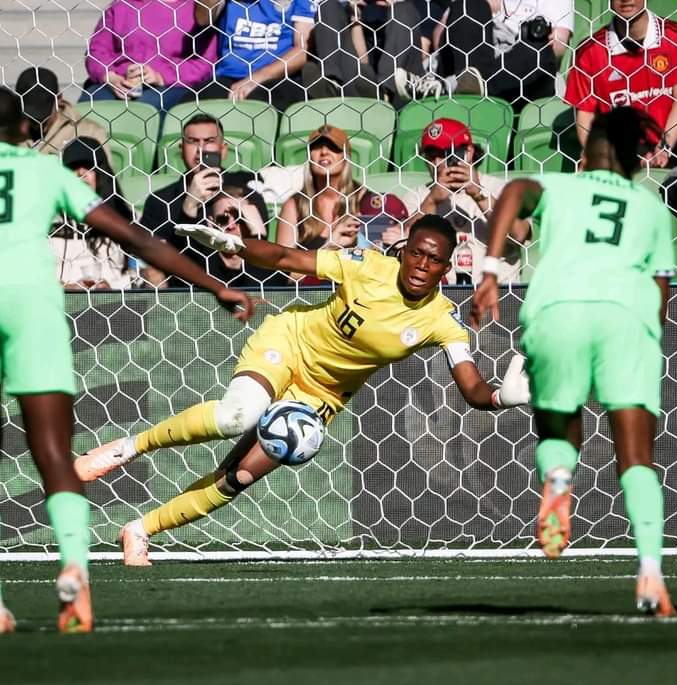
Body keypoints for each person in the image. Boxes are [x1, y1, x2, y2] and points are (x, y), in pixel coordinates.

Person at [75, 213, 530, 566]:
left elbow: (470, 386)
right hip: (288, 344)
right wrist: (236, 246)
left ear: (445, 268)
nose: (421, 266)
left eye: (434, 261)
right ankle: (127, 449)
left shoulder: (441, 320)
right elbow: (287, 259)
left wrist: (498, 399)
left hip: (322, 396)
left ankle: (139, 529)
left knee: (240, 477)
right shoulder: (367, 266)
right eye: (416, 253)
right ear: (404, 251)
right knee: (239, 415)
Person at [0, 86, 254, 634]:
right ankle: (74, 570)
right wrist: (215, 285)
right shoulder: (49, 176)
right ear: (27, 130)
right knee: (51, 451)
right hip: (35, 310)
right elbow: (139, 240)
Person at [470, 107, 676, 617]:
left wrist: (491, 271)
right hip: (626, 316)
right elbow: (660, 286)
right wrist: (644, 337)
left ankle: (559, 477)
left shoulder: (560, 188)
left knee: (559, 429)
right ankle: (650, 574)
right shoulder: (651, 208)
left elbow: (515, 190)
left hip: (557, 310)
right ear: (634, 160)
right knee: (636, 457)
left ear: (584, 155)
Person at [564, 0, 677, 168]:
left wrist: (663, 149)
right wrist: (593, 153)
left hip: (674, 147)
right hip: (617, 153)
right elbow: (585, 115)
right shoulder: (588, 51)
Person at [395, 118, 531, 282]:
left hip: (498, 294)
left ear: (469, 152)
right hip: (438, 297)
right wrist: (432, 201)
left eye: (447, 153)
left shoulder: (502, 189)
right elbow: (401, 246)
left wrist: (478, 193)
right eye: (431, 155)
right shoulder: (417, 195)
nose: (438, 162)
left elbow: (520, 234)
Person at [139, 113, 263, 286]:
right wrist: (189, 206)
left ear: (223, 149)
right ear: (181, 149)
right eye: (193, 141)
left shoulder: (247, 194)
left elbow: (258, 257)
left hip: (241, 289)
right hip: (183, 295)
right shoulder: (159, 201)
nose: (201, 149)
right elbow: (159, 263)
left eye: (209, 141)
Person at [395, 0, 574, 107]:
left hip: (518, 68)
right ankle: (468, 84)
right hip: (468, 60)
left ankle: (449, 87)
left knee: (540, 52)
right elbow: (439, 37)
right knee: (469, 5)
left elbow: (558, 45)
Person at [83, 0, 217, 112]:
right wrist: (110, 76)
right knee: (90, 104)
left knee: (143, 109)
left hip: (171, 86)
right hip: (119, 82)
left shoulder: (199, 10)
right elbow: (97, 49)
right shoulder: (123, 5)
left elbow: (205, 63)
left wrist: (160, 76)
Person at [276, 125, 366, 283]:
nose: (324, 152)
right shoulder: (295, 205)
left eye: (333, 147)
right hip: (310, 296)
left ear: (346, 157)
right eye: (316, 147)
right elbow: (285, 276)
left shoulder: (365, 198)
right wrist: (329, 247)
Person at [191, 0, 314, 112]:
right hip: (227, 77)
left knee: (255, 109)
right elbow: (202, 19)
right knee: (191, 110)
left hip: (278, 78)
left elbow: (303, 50)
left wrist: (257, 78)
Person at [306, 0, 427, 107]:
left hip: (401, 84)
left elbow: (422, 52)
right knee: (328, 7)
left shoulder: (418, 5)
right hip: (363, 87)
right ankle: (331, 85)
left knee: (403, 10)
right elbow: (362, 62)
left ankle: (385, 93)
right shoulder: (356, 7)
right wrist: (356, 21)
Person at [51, 137, 134, 289]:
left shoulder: (125, 222)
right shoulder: (47, 224)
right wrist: (63, 288)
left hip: (115, 307)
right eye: (73, 167)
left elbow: (140, 277)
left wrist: (111, 287)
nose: (81, 172)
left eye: (89, 166)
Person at [15, 67, 108, 157]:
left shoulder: (89, 132)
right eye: (28, 114)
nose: (35, 121)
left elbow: (104, 171)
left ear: (59, 99)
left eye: (41, 115)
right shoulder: (10, 130)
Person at [203, 186, 284, 287]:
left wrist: (258, 235)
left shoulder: (273, 268)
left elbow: (266, 289)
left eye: (240, 218)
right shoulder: (200, 265)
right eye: (223, 219)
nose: (231, 226)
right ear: (211, 223)